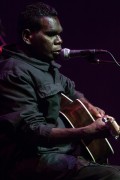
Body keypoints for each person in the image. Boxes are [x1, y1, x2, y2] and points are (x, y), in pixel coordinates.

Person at [0, 2, 120, 180]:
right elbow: (33, 131)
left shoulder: (44, 65)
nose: (60, 40)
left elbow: (71, 90)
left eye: (59, 34)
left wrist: (91, 107)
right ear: (27, 36)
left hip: (63, 154)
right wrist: (86, 131)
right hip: (35, 160)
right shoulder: (13, 73)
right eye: (51, 34)